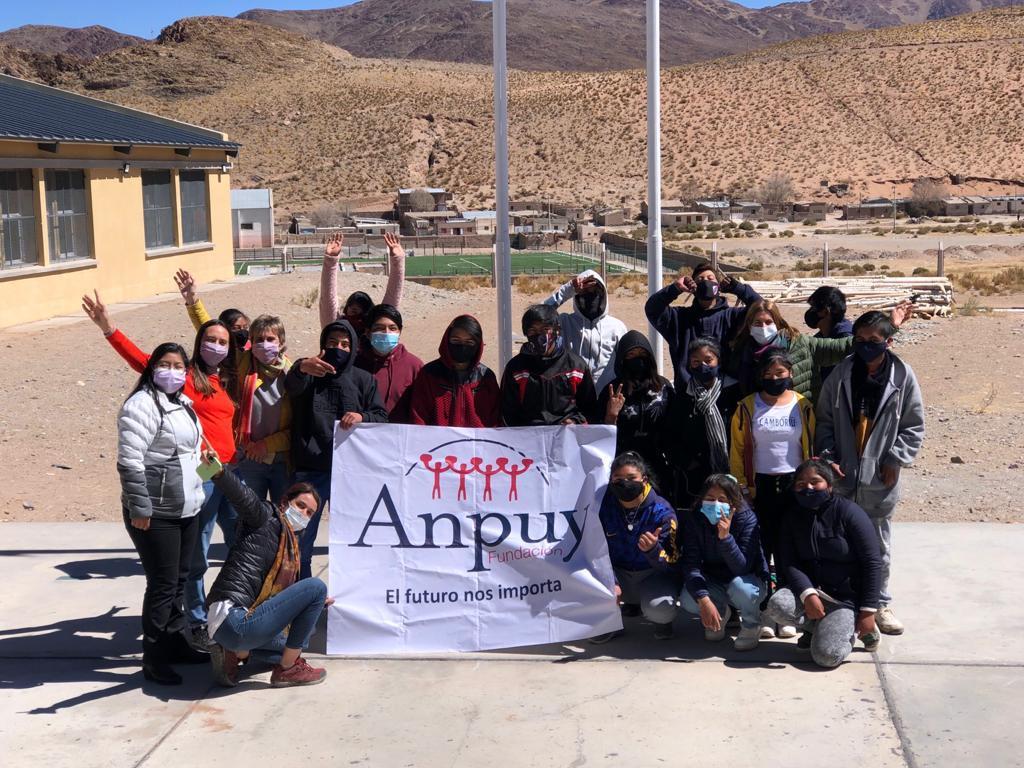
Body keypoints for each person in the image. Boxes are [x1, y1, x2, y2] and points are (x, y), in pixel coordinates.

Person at [83, 290, 238, 651]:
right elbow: (141, 360)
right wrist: (109, 329)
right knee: (194, 556)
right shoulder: (185, 381)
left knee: (234, 547)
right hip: (199, 479)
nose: (216, 346)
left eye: (223, 342)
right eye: (210, 340)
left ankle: (218, 615)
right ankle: (195, 621)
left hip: (228, 472)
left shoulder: (220, 380)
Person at [814, 310, 925, 636]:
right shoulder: (842, 375)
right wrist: (827, 458)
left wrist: (896, 459)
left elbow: (913, 425)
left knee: (877, 546)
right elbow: (824, 422)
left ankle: (878, 603)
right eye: (860, 341)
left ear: (888, 342)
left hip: (880, 477)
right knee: (840, 542)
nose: (865, 347)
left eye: (873, 342)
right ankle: (844, 600)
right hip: (843, 476)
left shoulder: (903, 378)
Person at [117, 342, 208, 684]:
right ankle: (154, 658)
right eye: (165, 364)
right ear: (152, 367)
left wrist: (209, 482)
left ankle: (176, 643)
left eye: (179, 365)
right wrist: (140, 507)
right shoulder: (141, 405)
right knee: (162, 585)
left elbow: (191, 454)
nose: (172, 371)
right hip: (156, 513)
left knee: (179, 579)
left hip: (186, 506)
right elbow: (130, 461)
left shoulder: (181, 402)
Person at [203, 463, 332, 688]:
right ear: (284, 503)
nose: (303, 513)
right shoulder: (265, 517)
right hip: (233, 617)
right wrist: (217, 471)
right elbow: (243, 497)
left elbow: (276, 602)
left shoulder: (291, 545)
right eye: (300, 505)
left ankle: (237, 653)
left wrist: (313, 605)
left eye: (309, 513)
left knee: (300, 638)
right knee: (316, 587)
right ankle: (287, 670)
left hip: (234, 626)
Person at [286, 319, 389, 579]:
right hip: (310, 474)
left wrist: (362, 417)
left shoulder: (364, 379)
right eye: (332, 343)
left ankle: (347, 606)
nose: (338, 348)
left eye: (344, 344)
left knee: (352, 541)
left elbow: (381, 416)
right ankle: (303, 598)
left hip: (349, 474)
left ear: (353, 347)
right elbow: (291, 387)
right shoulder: (309, 372)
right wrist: (300, 367)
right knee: (300, 542)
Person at [763, 459, 882, 668]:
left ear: (829, 484)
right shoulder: (792, 517)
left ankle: (850, 629)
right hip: (812, 592)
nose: (807, 487)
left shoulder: (849, 513)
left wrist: (867, 612)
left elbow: (872, 562)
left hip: (844, 600)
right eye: (800, 484)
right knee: (776, 606)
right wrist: (807, 594)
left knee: (827, 656)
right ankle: (814, 628)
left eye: (814, 482)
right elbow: (789, 562)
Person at [730, 351, 815, 639]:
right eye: (769, 374)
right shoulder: (746, 407)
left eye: (781, 374)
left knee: (789, 550)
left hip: (794, 486)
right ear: (760, 376)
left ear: (790, 373)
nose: (776, 379)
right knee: (761, 551)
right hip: (760, 487)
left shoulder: (803, 405)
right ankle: (765, 611)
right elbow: (738, 451)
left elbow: (811, 446)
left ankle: (788, 613)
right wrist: (742, 488)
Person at [643, 474, 768, 650]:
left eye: (722, 499)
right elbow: (691, 564)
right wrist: (704, 600)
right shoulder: (695, 520)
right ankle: (721, 614)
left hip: (745, 579)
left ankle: (751, 625)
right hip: (713, 579)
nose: (715, 504)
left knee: (742, 590)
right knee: (688, 598)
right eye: (709, 499)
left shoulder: (747, 519)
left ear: (732, 502)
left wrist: (726, 539)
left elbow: (742, 567)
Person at [730, 299, 913, 403]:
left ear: (778, 323)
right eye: (757, 323)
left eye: (768, 322)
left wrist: (891, 325)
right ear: (749, 326)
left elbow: (848, 345)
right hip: (757, 422)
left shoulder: (802, 344)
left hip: (801, 418)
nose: (763, 327)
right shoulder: (739, 352)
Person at [592, 452, 678, 643]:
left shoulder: (662, 511)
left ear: (643, 479)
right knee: (586, 583)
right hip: (618, 574)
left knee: (660, 609)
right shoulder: (603, 506)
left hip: (651, 574)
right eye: (618, 478)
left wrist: (653, 550)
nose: (624, 483)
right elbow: (594, 549)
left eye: (631, 478)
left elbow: (673, 564)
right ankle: (611, 623)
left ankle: (662, 622)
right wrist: (611, 581)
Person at [644, 262, 762, 390]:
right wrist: (675, 288)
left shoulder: (734, 316)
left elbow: (762, 309)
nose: (706, 281)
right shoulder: (679, 318)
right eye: (700, 279)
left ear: (718, 286)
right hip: (688, 395)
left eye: (711, 279)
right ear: (693, 288)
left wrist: (739, 289)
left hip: (727, 394)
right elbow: (652, 309)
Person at [595, 331, 673, 494]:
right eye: (631, 354)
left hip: (658, 464)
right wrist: (611, 415)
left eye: (642, 354)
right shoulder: (613, 390)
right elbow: (600, 437)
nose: (637, 359)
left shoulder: (663, 387)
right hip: (623, 466)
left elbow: (675, 425)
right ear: (622, 359)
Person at [668, 337, 742, 507]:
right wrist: (687, 463)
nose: (703, 366)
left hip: (730, 471)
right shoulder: (684, 396)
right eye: (696, 362)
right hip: (693, 479)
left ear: (719, 361)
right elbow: (669, 436)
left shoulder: (734, 392)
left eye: (708, 360)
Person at [500, 305, 597, 426]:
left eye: (545, 329)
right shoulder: (516, 368)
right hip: (528, 439)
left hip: (567, 438)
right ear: (526, 333)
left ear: (557, 330)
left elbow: (590, 409)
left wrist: (575, 422)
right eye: (533, 331)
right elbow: (507, 411)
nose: (539, 336)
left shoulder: (576, 366)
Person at [234, 314, 293, 505]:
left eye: (270, 339)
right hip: (249, 458)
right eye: (259, 339)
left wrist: (266, 445)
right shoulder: (244, 365)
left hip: (282, 460)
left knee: (282, 520)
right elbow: (209, 331)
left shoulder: (292, 374)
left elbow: (297, 424)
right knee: (248, 518)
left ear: (281, 342)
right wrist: (192, 302)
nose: (264, 344)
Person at [408, 315, 501, 427]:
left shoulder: (485, 377)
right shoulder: (429, 374)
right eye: (456, 340)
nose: (462, 347)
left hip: (477, 443)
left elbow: (496, 419)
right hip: (439, 443)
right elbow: (418, 417)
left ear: (478, 345)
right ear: (446, 341)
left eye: (469, 342)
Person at [544, 269, 627, 392]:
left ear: (603, 293)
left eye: (595, 291)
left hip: (606, 401)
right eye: (585, 291)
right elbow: (538, 316)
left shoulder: (617, 327)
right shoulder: (565, 323)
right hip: (571, 401)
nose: (590, 295)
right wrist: (568, 290)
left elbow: (625, 366)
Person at [319, 232, 406, 333]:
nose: (354, 308)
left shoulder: (374, 332)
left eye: (360, 306)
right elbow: (327, 300)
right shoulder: (337, 329)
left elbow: (391, 303)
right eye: (351, 304)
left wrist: (398, 260)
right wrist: (331, 260)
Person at [354, 303, 423, 422]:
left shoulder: (414, 366)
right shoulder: (354, 364)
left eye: (392, 328)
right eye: (379, 328)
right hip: (361, 436)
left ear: (399, 331)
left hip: (398, 437)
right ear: (368, 332)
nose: (386, 333)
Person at [174, 269, 250, 350]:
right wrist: (191, 299)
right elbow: (204, 323)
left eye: (245, 327)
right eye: (236, 328)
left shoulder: (252, 349)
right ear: (223, 329)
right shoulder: (218, 350)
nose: (242, 332)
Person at [805, 286, 853, 386]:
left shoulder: (846, 340)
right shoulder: (821, 336)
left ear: (826, 311)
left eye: (814, 307)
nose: (811, 312)